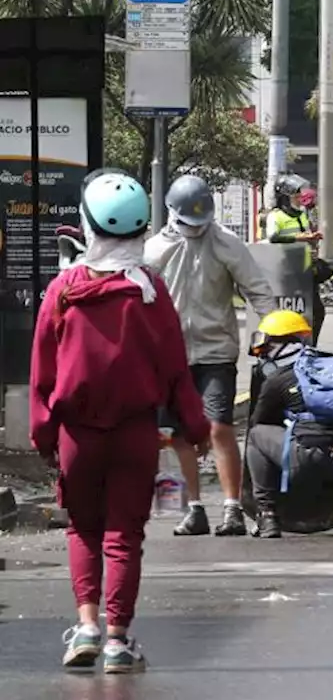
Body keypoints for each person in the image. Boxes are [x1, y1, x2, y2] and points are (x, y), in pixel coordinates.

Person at [32, 169, 210, 673]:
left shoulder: (63, 290)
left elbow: (42, 371)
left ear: (88, 225)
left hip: (76, 435)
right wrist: (194, 430)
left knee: (83, 530)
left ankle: (85, 627)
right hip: (135, 433)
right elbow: (176, 369)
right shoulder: (150, 292)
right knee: (123, 535)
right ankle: (116, 640)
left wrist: (44, 434)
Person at [146, 174, 276, 537]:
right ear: (172, 213)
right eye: (188, 222)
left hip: (216, 350)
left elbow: (259, 291)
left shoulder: (227, 244)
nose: (194, 230)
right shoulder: (154, 250)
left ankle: (232, 510)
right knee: (175, 434)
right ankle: (192, 509)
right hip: (168, 356)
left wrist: (275, 331)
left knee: (219, 427)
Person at [243, 310, 333, 539]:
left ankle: (267, 515)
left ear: (276, 344)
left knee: (256, 435)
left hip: (312, 459)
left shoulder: (278, 379)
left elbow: (259, 422)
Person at [265, 174, 329, 340]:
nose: (300, 196)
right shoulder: (276, 215)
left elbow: (306, 237)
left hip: (305, 270)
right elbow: (273, 237)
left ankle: (309, 347)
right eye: (296, 193)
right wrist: (300, 238)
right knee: (289, 312)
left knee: (316, 312)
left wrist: (313, 239)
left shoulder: (302, 215)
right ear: (286, 196)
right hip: (286, 272)